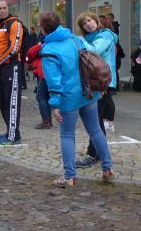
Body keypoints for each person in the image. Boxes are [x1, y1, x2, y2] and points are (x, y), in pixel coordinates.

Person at [38, 11, 114, 186]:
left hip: (68, 98)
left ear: (42, 28)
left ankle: (69, 176)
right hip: (87, 92)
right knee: (95, 130)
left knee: (67, 135)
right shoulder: (74, 39)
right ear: (59, 23)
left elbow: (53, 81)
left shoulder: (48, 49)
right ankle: (108, 167)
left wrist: (55, 104)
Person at [75, 12, 118, 168]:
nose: (88, 24)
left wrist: (79, 40)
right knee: (97, 121)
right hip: (94, 82)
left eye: (89, 20)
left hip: (103, 82)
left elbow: (94, 51)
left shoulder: (105, 35)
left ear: (96, 20)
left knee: (94, 122)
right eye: (84, 24)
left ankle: (93, 153)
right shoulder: (88, 38)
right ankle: (99, 153)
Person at [0, 0, 24, 144]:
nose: (2, 10)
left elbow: (15, 48)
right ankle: (11, 131)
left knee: (12, 101)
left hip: (11, 67)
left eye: (4, 8)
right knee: (2, 100)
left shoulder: (14, 23)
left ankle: (13, 136)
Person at [26, 34, 51, 129]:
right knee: (46, 97)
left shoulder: (42, 46)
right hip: (49, 74)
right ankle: (48, 120)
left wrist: (40, 44)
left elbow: (30, 52)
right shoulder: (54, 45)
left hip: (43, 74)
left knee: (40, 96)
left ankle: (46, 121)